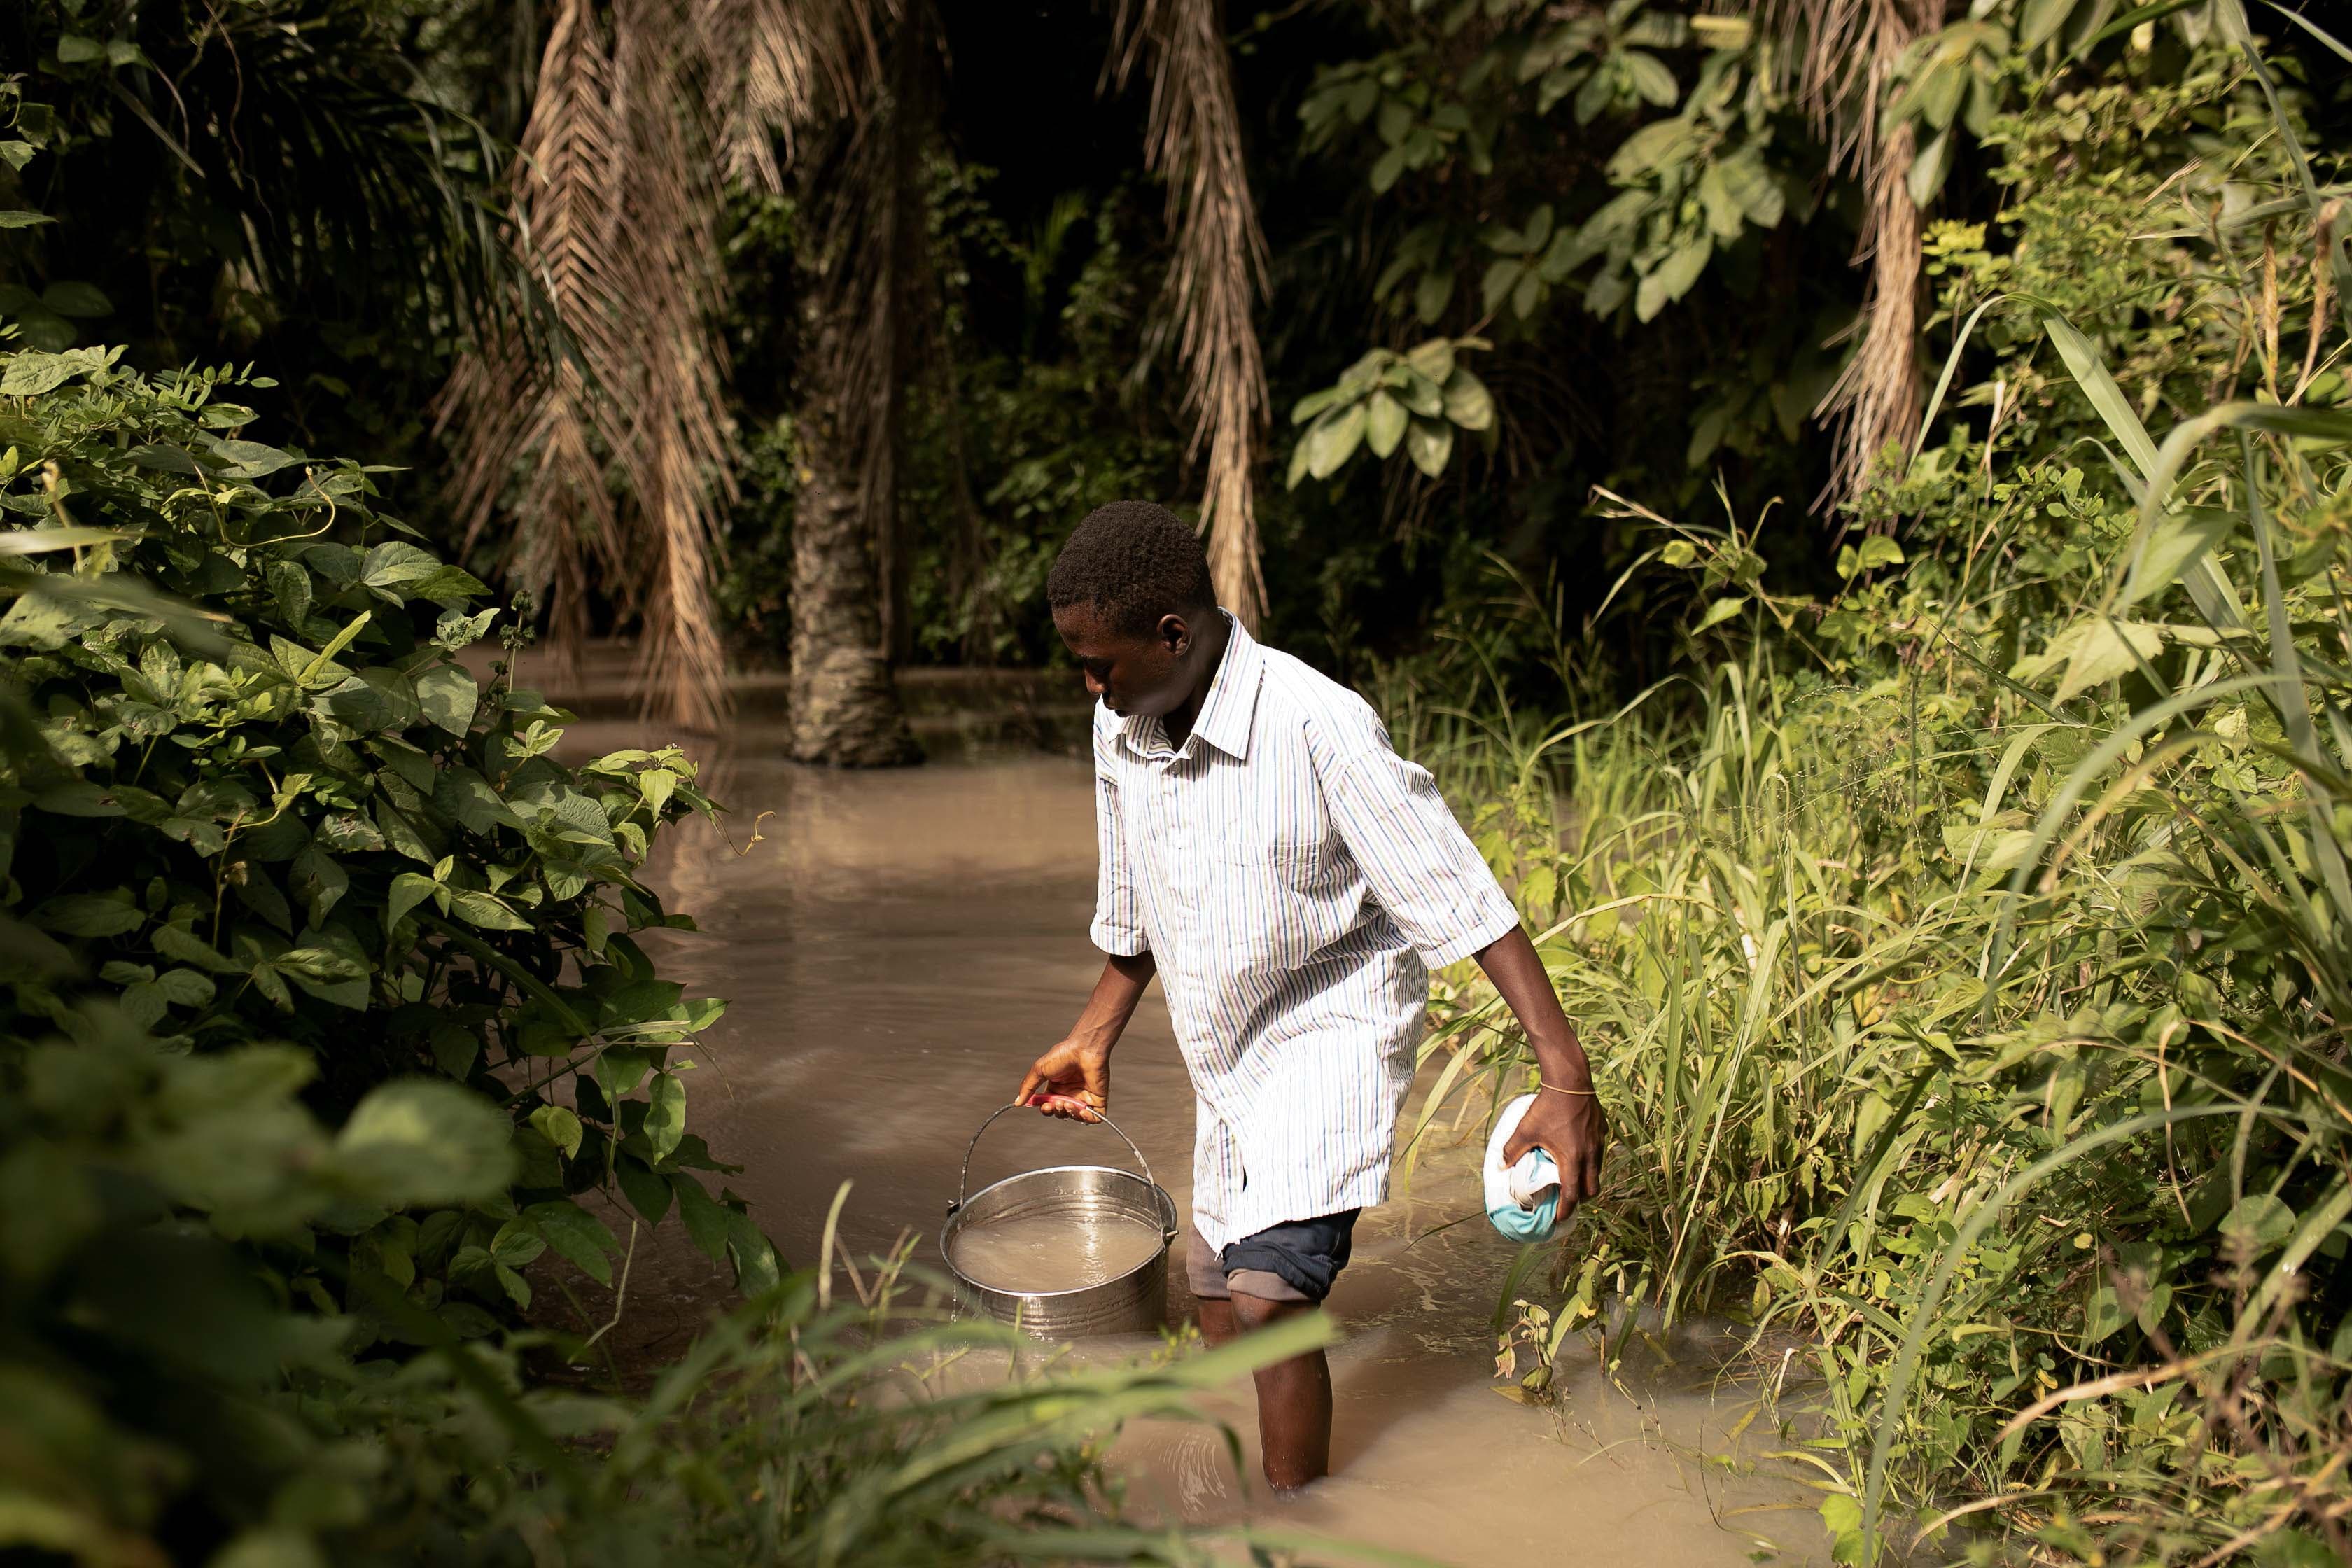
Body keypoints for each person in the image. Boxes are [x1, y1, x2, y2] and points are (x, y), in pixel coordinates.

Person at [1014, 500, 1605, 1490]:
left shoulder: (1316, 724)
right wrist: (1093, 1035)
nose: (1089, 683)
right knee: (1211, 1298)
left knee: (1269, 1305)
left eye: (1099, 661)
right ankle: (1223, 1493)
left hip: (1332, 1031)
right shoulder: (1125, 728)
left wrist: (1566, 1076)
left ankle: (1296, 1523)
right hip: (1227, 1046)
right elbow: (1136, 905)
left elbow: (1459, 894)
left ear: (1173, 635)